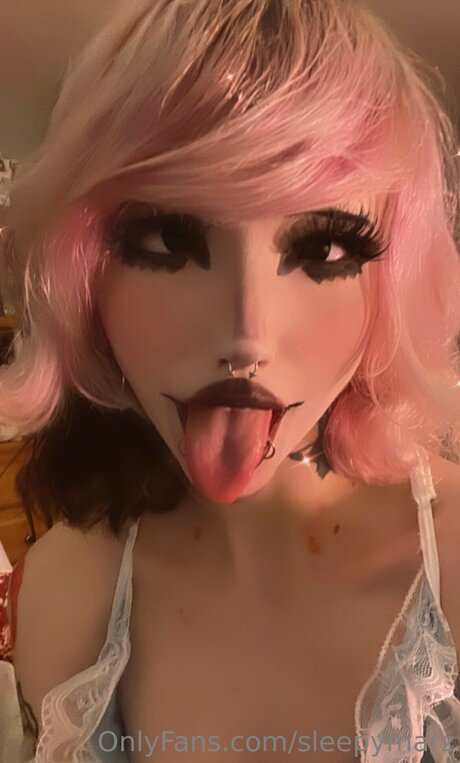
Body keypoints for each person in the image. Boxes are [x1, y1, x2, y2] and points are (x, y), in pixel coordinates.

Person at [0, 0, 459, 760]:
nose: (248, 335)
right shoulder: (66, 593)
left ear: (394, 282)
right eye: (167, 239)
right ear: (84, 271)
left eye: (325, 250)